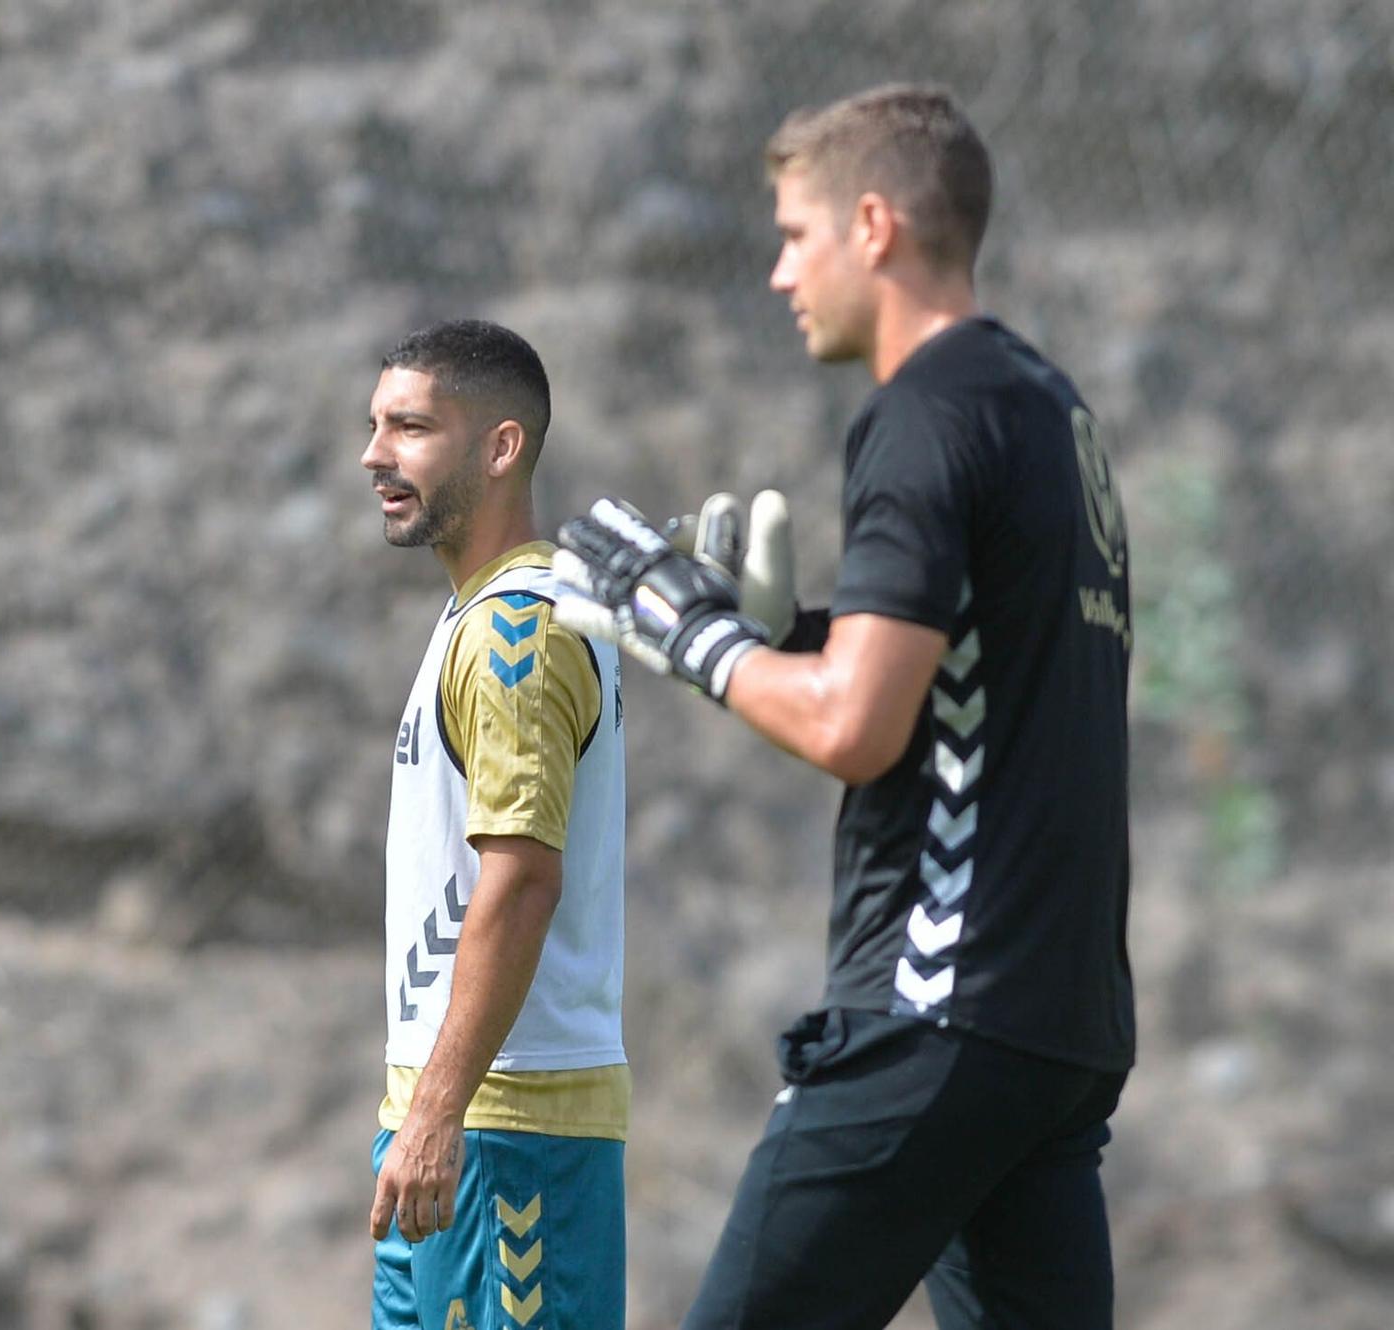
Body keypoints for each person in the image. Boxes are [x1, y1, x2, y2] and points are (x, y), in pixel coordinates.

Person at [553, 85, 1135, 1329]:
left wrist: (688, 634)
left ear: (871, 225)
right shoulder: (1046, 407)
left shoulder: (921, 410)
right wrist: (789, 634)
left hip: (932, 1010)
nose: (776, 274)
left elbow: (852, 726)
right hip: (1055, 1027)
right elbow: (969, 676)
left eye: (792, 235)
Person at [362, 319, 629, 1330]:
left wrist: (437, 1113)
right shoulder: (475, 617)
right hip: (444, 1117)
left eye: (410, 426)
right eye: (376, 424)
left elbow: (518, 879)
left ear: (501, 446)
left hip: (508, 1128)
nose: (373, 454)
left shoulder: (516, 627)